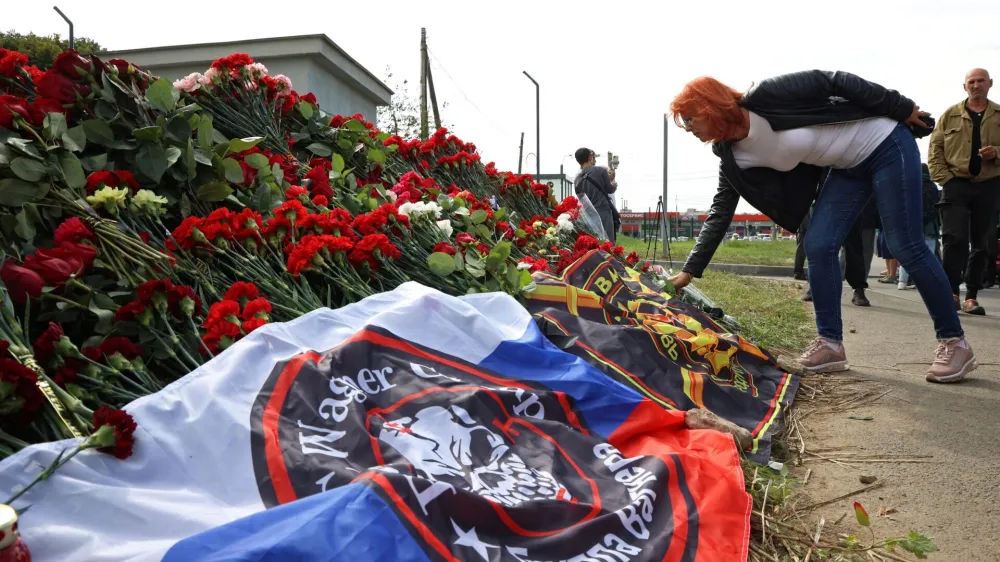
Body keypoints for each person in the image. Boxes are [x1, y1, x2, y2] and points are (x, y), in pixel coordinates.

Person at [669, 70, 976, 383]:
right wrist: (690, 270)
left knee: (904, 243)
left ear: (711, 107)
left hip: (885, 143)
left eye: (690, 118)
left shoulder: (766, 98)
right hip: (846, 169)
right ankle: (830, 344)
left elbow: (834, 81)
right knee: (818, 244)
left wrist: (900, 106)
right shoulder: (732, 157)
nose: (688, 128)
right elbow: (720, 210)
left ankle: (955, 343)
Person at [928, 68, 1000, 316]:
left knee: (981, 243)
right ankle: (951, 293)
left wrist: (997, 153)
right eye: (972, 81)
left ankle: (971, 296)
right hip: (955, 184)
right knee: (954, 239)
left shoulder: (999, 114)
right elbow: (935, 149)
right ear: (964, 86)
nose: (976, 85)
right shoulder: (950, 114)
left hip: (989, 185)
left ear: (990, 83)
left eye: (981, 81)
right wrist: (945, 180)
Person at [898, 164, 942, 290]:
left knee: (907, 253)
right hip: (929, 226)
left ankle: (902, 281)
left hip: (912, 224)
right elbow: (936, 206)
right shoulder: (933, 187)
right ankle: (927, 282)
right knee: (929, 255)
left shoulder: (909, 184)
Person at [573, 148, 617, 241]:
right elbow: (610, 189)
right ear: (590, 157)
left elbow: (581, 199)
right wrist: (614, 183)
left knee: (595, 241)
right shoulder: (600, 170)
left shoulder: (577, 179)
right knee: (608, 242)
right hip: (603, 211)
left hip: (589, 215)